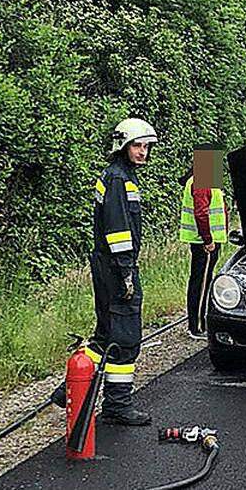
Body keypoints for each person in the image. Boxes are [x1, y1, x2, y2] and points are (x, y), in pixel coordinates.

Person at [51, 117, 157, 424]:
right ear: (122, 146)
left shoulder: (120, 176)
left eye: (146, 147)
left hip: (108, 265)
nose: (143, 152)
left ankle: (68, 390)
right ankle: (117, 405)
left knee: (107, 333)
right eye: (137, 146)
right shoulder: (117, 179)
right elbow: (118, 232)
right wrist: (126, 273)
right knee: (126, 337)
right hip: (115, 267)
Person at [180, 145, 228, 340]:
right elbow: (201, 213)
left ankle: (199, 321)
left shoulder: (203, 180)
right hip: (204, 243)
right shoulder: (202, 181)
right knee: (201, 283)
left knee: (202, 280)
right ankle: (197, 326)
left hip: (205, 241)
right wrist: (208, 240)